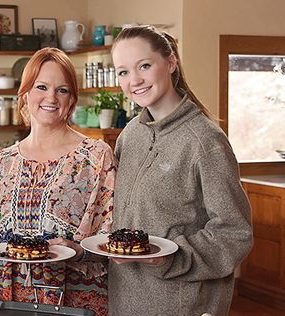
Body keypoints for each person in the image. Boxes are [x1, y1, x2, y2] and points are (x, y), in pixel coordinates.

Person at [108, 25, 253, 316]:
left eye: (144, 66)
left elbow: (234, 232)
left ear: (171, 63)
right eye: (123, 72)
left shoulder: (205, 141)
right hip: (124, 300)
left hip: (182, 304)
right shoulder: (130, 135)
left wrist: (169, 259)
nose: (134, 80)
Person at [0, 47, 116, 315]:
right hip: (10, 298)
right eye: (41, 87)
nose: (51, 98)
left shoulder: (96, 156)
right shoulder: (3, 161)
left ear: (72, 99)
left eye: (62, 90)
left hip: (77, 298)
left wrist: (78, 250)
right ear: (25, 94)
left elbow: (109, 234)